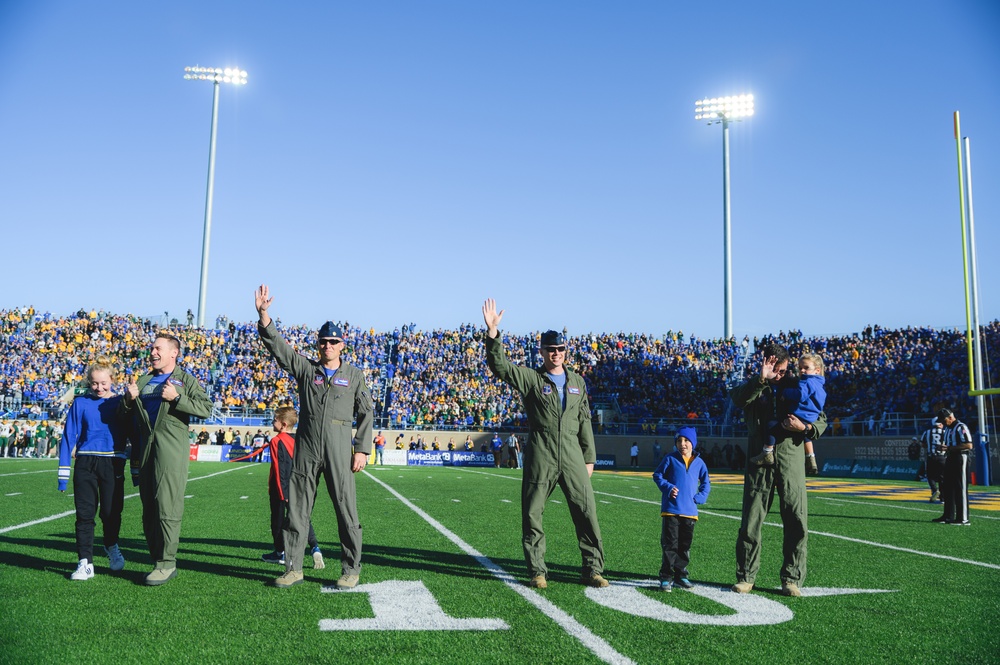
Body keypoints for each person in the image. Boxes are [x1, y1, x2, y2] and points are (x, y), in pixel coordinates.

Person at [482, 298, 608, 589]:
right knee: (533, 511)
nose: (556, 354)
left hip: (573, 453)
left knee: (586, 512)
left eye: (560, 349)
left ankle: (593, 569)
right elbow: (500, 367)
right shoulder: (531, 378)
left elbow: (585, 420)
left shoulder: (577, 381)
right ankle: (537, 570)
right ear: (542, 351)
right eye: (551, 349)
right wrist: (492, 334)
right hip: (542, 451)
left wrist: (589, 456)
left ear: (566, 351)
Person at [255, 284, 374, 589]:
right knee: (297, 508)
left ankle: (351, 568)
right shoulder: (308, 370)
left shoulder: (354, 375)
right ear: (319, 345)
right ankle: (293, 567)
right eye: (323, 342)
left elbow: (367, 412)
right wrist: (265, 316)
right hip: (306, 447)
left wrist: (361, 448)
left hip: (338, 447)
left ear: (342, 344)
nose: (328, 346)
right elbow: (281, 350)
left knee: (346, 508)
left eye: (333, 341)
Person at [730, 343, 826, 597]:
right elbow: (737, 399)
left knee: (796, 518)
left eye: (783, 370)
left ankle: (791, 578)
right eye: (776, 370)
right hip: (759, 459)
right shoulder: (755, 384)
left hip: (791, 456)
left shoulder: (799, 383)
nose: (780, 375)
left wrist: (805, 429)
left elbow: (821, 418)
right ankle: (746, 576)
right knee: (751, 520)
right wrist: (762, 379)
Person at [121, 332, 213, 586]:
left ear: (174, 353)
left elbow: (206, 408)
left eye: (158, 348)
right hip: (143, 448)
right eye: (151, 348)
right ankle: (156, 559)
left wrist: (178, 398)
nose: (152, 352)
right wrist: (128, 400)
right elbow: (124, 414)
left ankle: (166, 563)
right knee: (149, 507)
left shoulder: (185, 380)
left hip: (170, 449)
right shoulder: (143, 380)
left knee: (167, 506)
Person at [57, 357, 129, 580]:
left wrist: (135, 469)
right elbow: (69, 435)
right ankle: (85, 563)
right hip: (86, 463)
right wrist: (63, 474)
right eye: (94, 383)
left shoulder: (121, 402)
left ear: (112, 380)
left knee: (110, 513)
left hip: (113, 462)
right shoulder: (80, 403)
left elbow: (133, 434)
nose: (99, 387)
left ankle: (111, 546)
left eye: (104, 383)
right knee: (84, 515)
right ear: (89, 382)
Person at [232, 406, 325, 569]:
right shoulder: (298, 438)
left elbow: (281, 467)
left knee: (277, 521)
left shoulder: (277, 440)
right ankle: (315, 547)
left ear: (282, 424)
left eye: (274, 420)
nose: (272, 422)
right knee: (301, 519)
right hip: (299, 485)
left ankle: (280, 552)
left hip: (281, 489)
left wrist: (283, 493)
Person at [652, 426, 710, 592]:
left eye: (686, 440)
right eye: (679, 441)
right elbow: (657, 475)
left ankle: (680, 575)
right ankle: (666, 577)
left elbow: (706, 483)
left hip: (690, 512)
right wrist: (668, 487)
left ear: (693, 443)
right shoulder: (670, 458)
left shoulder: (700, 463)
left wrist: (701, 497)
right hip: (671, 510)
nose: (682, 444)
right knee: (670, 544)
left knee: (684, 545)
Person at [749, 353, 826, 477]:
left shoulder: (806, 382)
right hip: (809, 418)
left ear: (817, 370)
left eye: (806, 368)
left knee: (772, 425)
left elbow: (800, 395)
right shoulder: (819, 384)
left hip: (799, 416)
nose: (802, 371)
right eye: (800, 367)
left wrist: (786, 393)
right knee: (806, 436)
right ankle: (811, 457)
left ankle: (767, 452)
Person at [932, 408, 973, 526]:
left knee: (960, 487)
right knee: (948, 487)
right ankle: (948, 516)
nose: (943, 423)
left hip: (961, 458)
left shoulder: (961, 427)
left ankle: (963, 518)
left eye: (944, 420)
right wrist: (945, 447)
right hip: (950, 457)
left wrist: (949, 448)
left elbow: (969, 445)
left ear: (950, 417)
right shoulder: (948, 429)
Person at [920, 418, 946, 503]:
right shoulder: (945, 432)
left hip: (931, 457)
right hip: (942, 457)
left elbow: (923, 444)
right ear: (940, 424)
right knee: (942, 477)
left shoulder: (927, 432)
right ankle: (943, 497)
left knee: (930, 476)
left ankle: (934, 490)